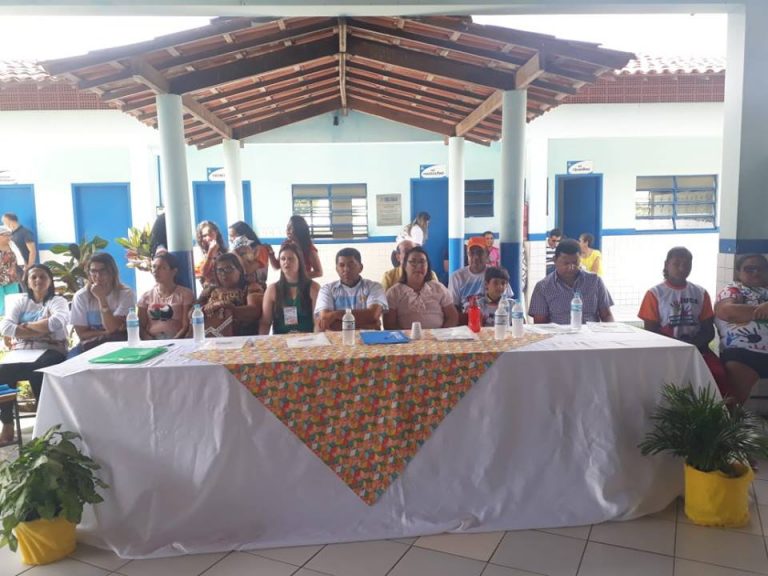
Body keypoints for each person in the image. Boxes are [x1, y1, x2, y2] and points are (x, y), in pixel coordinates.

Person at [638, 247, 728, 396]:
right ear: (666, 264)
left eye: (687, 264)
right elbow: (651, 332)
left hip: (697, 348)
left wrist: (692, 346)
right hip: (665, 350)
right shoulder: (654, 294)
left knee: (718, 374)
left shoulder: (700, 293)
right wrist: (678, 347)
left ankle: (721, 410)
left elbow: (708, 330)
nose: (682, 268)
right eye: (677, 263)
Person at [0, 265, 69, 443]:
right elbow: (6, 327)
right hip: (22, 352)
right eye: (34, 277)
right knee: (2, 371)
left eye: (43, 277)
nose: (38, 280)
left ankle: (44, 426)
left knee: (39, 370)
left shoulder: (58, 301)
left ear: (50, 280)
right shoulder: (21, 302)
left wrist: (23, 327)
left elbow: (56, 323)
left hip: (51, 350)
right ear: (28, 282)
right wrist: (42, 327)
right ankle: (7, 424)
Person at [714, 254, 768, 405]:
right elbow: (728, 312)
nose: (756, 272)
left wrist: (746, 312)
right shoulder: (734, 289)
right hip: (744, 351)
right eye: (749, 269)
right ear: (738, 272)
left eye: (761, 269)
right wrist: (762, 309)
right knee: (731, 400)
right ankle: (728, 419)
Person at [529, 238, 614, 324]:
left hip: (590, 331)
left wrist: (610, 329)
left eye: (575, 263)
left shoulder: (595, 281)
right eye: (566, 263)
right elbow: (540, 324)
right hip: (558, 332)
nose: (571, 267)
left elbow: (607, 315)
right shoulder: (543, 287)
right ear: (555, 260)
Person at [70, 252, 136, 355]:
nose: (98, 276)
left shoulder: (126, 294)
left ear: (112, 272)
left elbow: (112, 327)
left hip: (118, 345)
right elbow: (82, 334)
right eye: (93, 271)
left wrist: (101, 298)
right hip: (90, 346)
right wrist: (106, 333)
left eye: (103, 271)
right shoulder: (81, 296)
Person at [384, 246, 457, 330]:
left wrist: (443, 334)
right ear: (404, 266)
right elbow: (389, 325)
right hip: (406, 337)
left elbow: (452, 316)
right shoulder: (394, 292)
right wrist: (405, 336)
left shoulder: (438, 288)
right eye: (413, 262)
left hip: (439, 336)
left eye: (422, 262)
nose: (418, 266)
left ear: (427, 266)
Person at [315, 247, 388, 331]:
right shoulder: (327, 290)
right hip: (337, 339)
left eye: (351, 265)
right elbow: (326, 321)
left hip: (368, 338)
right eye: (341, 265)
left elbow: (373, 315)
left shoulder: (374, 287)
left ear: (361, 267)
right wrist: (369, 325)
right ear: (336, 269)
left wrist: (335, 315)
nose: (346, 269)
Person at [197, 252, 263, 337]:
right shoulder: (210, 290)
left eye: (228, 269)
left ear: (239, 270)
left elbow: (255, 311)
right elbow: (193, 311)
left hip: (241, 337)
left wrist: (230, 309)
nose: (223, 274)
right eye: (220, 270)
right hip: (210, 337)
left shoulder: (251, 287)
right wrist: (206, 309)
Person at [260, 242, 320, 334]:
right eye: (283, 259)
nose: (286, 262)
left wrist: (316, 340)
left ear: (299, 261)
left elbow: (317, 322)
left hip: (307, 339)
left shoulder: (313, 288)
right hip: (281, 339)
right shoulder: (272, 290)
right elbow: (265, 322)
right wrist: (262, 341)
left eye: (290, 259)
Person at [138, 252, 195, 340]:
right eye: (154, 267)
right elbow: (140, 327)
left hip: (177, 341)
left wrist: (174, 342)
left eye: (162, 268)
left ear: (173, 271)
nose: (156, 271)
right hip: (152, 342)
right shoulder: (146, 297)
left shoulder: (185, 294)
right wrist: (150, 341)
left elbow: (186, 326)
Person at [448, 236, 513, 309]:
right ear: (467, 255)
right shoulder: (456, 277)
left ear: (487, 254)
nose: (476, 257)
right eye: (472, 253)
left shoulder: (496, 274)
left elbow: (508, 301)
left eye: (480, 252)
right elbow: (453, 307)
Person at [194, 220, 227, 288]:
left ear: (216, 232)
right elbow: (203, 273)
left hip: (225, 286)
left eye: (210, 233)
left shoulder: (225, 251)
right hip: (209, 288)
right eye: (204, 236)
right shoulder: (198, 252)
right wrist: (210, 253)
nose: (208, 238)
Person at [0, 225, 21, 316]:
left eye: (10, 235)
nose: (9, 237)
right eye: (6, 235)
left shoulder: (12, 246)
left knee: (13, 299)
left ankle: (13, 317)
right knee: (1, 302)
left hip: (11, 278)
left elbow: (19, 260)